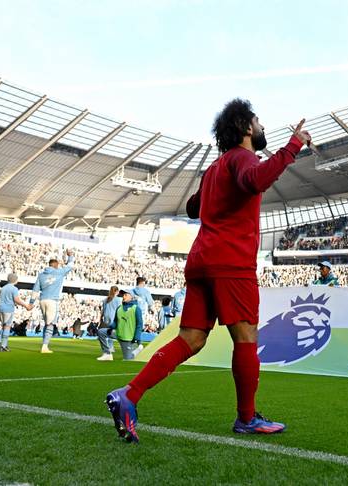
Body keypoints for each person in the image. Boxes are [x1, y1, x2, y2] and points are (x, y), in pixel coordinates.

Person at [106, 98, 311, 443]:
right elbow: (257, 180)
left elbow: (192, 208)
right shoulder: (245, 158)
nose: (261, 126)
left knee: (192, 338)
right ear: (246, 127)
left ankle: (130, 394)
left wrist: (215, 188)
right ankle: (246, 418)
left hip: (201, 260)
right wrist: (293, 145)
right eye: (257, 121)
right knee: (246, 338)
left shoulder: (216, 167)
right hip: (231, 262)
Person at [30, 249, 74, 353]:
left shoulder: (41, 275)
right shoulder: (59, 272)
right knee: (50, 324)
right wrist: (70, 256)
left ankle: (44, 345)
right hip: (52, 301)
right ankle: (45, 346)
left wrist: (31, 303)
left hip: (42, 300)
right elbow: (70, 266)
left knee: (46, 323)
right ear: (56, 265)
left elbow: (35, 290)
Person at [97, 290, 143, 361]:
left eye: (126, 295)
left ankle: (138, 349)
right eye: (123, 295)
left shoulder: (136, 309)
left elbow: (139, 325)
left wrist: (137, 338)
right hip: (117, 333)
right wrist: (111, 325)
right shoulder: (119, 308)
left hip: (128, 338)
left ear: (132, 297)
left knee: (127, 359)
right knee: (101, 332)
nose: (123, 296)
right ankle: (107, 354)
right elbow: (116, 322)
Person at [0, 273, 32, 352]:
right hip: (8, 309)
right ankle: (3, 345)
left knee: (4, 326)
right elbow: (17, 300)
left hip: (1, 308)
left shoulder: (3, 288)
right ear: (15, 280)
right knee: (7, 326)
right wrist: (26, 305)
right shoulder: (14, 289)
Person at [98, 286, 121, 356]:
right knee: (111, 333)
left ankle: (109, 348)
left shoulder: (105, 299)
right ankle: (110, 347)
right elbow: (119, 310)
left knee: (107, 333)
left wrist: (100, 318)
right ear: (116, 291)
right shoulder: (118, 300)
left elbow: (103, 310)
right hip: (113, 318)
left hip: (106, 319)